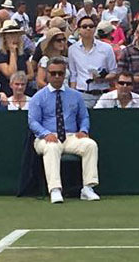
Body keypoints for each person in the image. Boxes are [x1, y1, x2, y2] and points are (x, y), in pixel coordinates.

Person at [28, 57, 100, 203]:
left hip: (71, 136)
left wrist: (84, 130)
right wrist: (45, 134)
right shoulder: (38, 97)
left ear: (65, 74)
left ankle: (87, 188)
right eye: (53, 73)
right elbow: (33, 122)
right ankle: (55, 189)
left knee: (90, 145)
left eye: (60, 73)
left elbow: (84, 117)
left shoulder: (76, 96)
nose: (56, 77)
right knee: (52, 148)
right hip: (46, 137)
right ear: (47, 74)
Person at [68, 16, 117, 108]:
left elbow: (114, 73)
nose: (88, 28)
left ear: (95, 29)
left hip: (103, 94)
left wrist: (102, 78)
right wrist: (72, 96)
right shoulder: (72, 50)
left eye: (91, 26)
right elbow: (73, 75)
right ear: (78, 30)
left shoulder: (107, 48)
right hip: (82, 94)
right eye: (84, 26)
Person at [0, 20, 34, 97]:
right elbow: (10, 74)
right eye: (10, 34)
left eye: (16, 34)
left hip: (25, 92)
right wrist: (12, 52)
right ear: (5, 37)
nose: (14, 37)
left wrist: (20, 80)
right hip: (7, 93)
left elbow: (31, 74)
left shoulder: (24, 54)